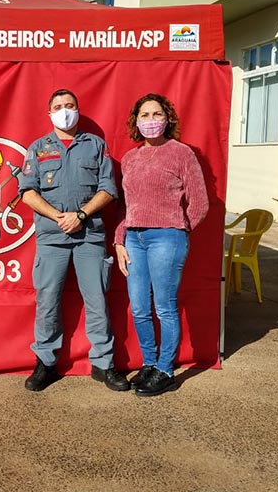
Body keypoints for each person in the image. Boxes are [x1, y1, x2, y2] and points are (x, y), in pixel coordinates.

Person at [18, 89, 129, 392]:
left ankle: (103, 364)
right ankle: (46, 362)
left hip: (89, 236)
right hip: (52, 238)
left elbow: (108, 190)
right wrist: (58, 216)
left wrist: (79, 215)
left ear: (78, 110)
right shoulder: (38, 148)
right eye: (58, 107)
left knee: (97, 301)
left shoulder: (96, 146)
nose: (64, 111)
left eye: (69, 106)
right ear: (49, 113)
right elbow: (27, 192)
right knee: (47, 302)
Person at [114, 93, 208, 397]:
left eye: (157, 114)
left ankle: (166, 370)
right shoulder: (130, 158)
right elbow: (127, 207)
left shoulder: (181, 153)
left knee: (164, 307)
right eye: (144, 115)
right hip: (134, 239)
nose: (151, 120)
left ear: (167, 119)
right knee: (140, 308)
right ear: (136, 121)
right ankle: (150, 364)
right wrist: (119, 241)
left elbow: (200, 203)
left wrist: (177, 231)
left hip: (166, 237)